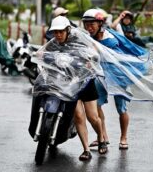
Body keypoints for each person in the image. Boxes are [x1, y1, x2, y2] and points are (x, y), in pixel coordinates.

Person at [81, 8, 153, 151]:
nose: (89, 27)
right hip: (101, 75)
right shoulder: (91, 37)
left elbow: (98, 52)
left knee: (121, 108)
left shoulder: (109, 39)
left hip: (118, 76)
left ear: (100, 24)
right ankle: (102, 136)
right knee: (96, 105)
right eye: (86, 24)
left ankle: (123, 137)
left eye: (92, 24)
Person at [34, 16, 108, 161]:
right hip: (68, 83)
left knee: (93, 117)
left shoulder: (79, 38)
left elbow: (94, 52)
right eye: (55, 32)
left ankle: (101, 137)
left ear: (67, 30)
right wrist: (38, 55)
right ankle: (86, 149)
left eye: (61, 32)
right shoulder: (54, 42)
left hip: (85, 80)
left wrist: (90, 61)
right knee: (79, 116)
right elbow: (42, 52)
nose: (58, 35)